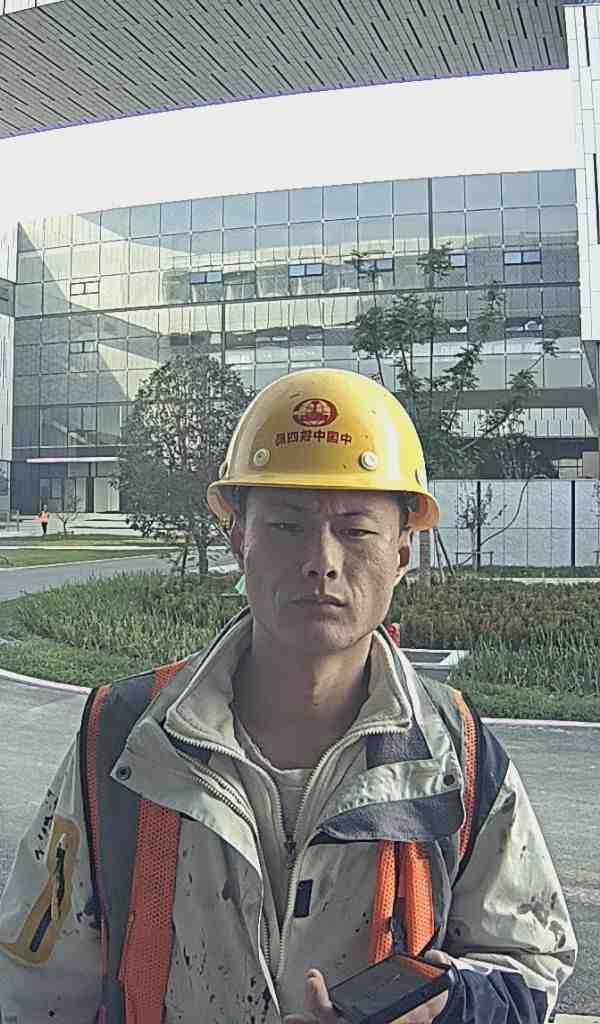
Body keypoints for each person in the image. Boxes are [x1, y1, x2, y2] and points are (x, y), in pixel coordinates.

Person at [0, 369, 576, 1024]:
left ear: (402, 553)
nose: (320, 560)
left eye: (356, 530)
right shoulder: (128, 741)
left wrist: (451, 1008)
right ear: (237, 539)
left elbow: (533, 968)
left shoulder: (455, 757)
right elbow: (33, 991)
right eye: (285, 525)